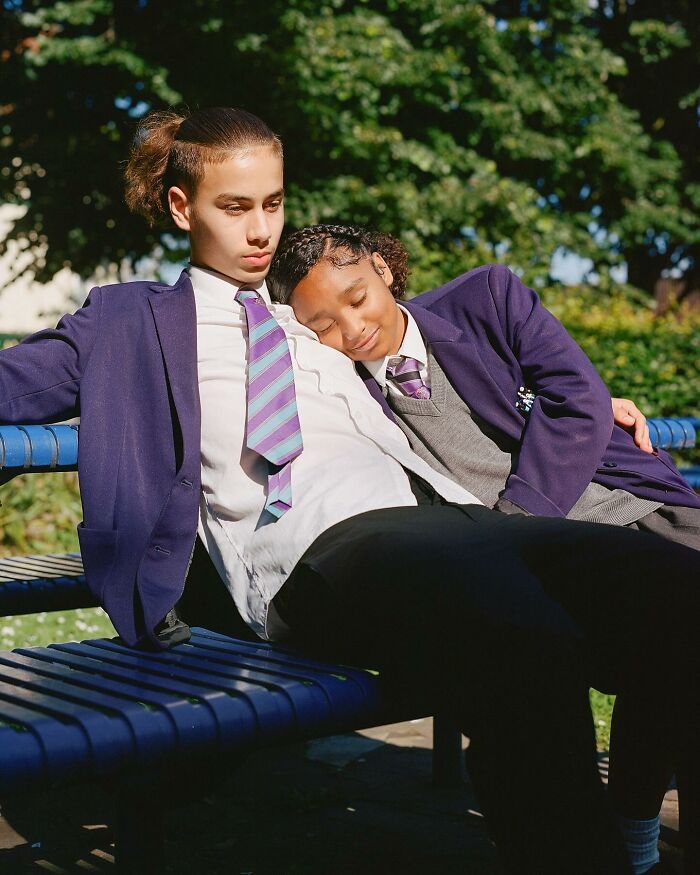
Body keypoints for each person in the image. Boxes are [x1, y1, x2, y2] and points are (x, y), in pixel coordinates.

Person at [1, 107, 698, 874]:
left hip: (453, 520)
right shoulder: (132, 318)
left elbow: (447, 348)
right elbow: (17, 383)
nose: (260, 229)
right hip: (323, 552)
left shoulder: (313, 317)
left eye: (272, 202)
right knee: (526, 638)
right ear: (180, 208)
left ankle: (634, 830)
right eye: (235, 208)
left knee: (674, 587)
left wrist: (597, 402)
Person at [268, 222, 700, 875]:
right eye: (322, 323)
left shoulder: (486, 298)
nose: (350, 328)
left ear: (385, 270)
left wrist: (519, 520)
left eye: (357, 297)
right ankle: (632, 829)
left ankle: (638, 820)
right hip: (517, 564)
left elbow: (577, 396)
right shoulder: (337, 388)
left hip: (624, 505)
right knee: (659, 632)